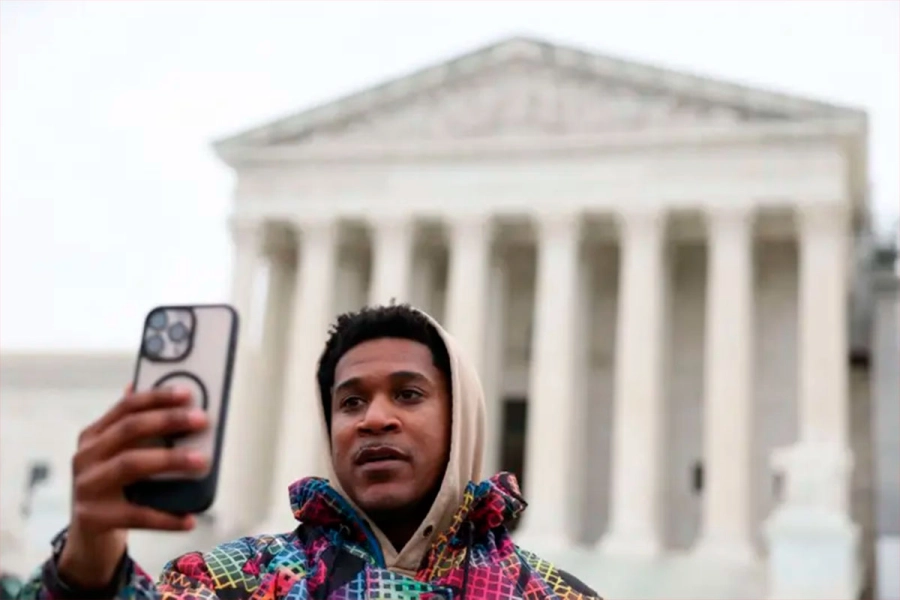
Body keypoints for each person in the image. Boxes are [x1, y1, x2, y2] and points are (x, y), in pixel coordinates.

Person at [16, 304, 601, 599]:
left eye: (408, 393)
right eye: (350, 402)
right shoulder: (237, 579)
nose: (373, 418)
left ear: (462, 419)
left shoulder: (551, 594)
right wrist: (87, 568)